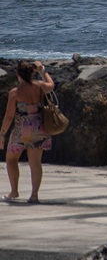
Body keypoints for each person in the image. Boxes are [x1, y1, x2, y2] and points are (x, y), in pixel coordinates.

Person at [1, 60, 55, 203]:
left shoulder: (15, 92)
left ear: (18, 74)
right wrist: (43, 71)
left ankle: (14, 191)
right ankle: (34, 195)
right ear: (32, 73)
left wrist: (2, 134)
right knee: (35, 162)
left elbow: (9, 116)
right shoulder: (40, 86)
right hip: (38, 128)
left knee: (11, 158)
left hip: (21, 129)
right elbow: (52, 85)